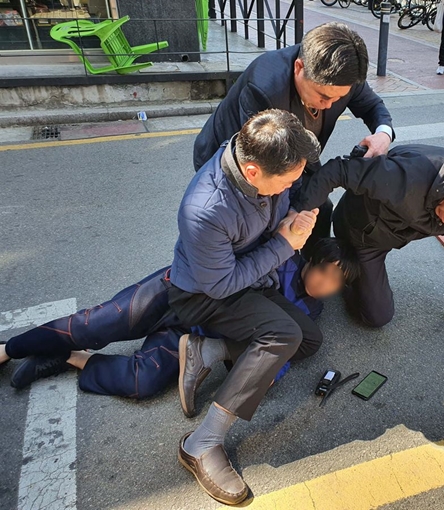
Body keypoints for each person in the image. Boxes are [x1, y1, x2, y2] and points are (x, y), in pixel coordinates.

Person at [1, 110, 322, 506]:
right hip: (198, 294)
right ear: (253, 171)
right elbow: (220, 284)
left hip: (241, 287)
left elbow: (269, 225)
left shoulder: (264, 164)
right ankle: (10, 349)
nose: (292, 186)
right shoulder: (205, 207)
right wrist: (284, 245)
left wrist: (289, 220)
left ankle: (192, 353)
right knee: (96, 324)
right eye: (288, 182)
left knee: (304, 338)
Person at [1, 239, 359, 399]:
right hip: (175, 296)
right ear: (310, 260)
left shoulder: (311, 312)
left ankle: (64, 357)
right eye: (323, 272)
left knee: (143, 383)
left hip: (191, 334)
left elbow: (280, 344)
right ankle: (9, 347)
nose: (324, 285)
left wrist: (270, 373)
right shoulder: (279, 260)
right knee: (93, 325)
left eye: (335, 283)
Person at [193, 22, 395, 246]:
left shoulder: (344, 76)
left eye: (338, 98)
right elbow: (263, 162)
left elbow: (372, 107)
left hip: (296, 157)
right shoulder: (265, 88)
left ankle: (308, 272)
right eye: (322, 96)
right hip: (238, 159)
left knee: (318, 209)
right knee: (255, 228)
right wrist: (289, 222)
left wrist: (383, 134)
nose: (328, 105)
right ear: (299, 68)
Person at [293, 145, 444, 332]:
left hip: (407, 225)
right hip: (364, 234)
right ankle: (347, 274)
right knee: (377, 317)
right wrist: (297, 216)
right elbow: (338, 170)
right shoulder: (405, 178)